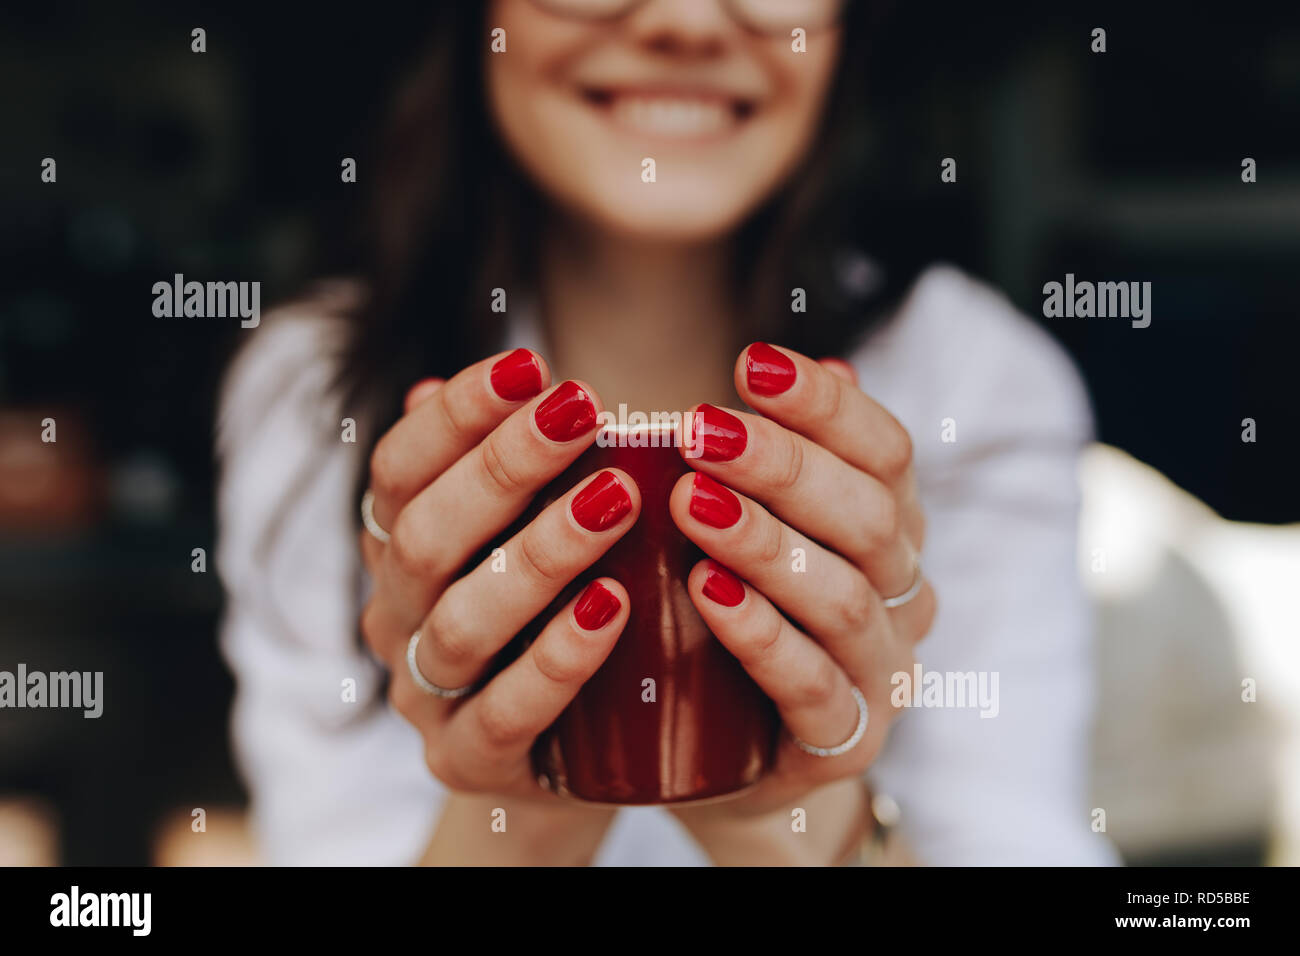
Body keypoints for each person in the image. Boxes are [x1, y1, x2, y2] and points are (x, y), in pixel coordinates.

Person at [216, 0, 1116, 865]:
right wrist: (521, 801)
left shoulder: (976, 384)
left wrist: (793, 812)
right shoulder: (320, 387)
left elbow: (1017, 839)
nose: (684, 19)